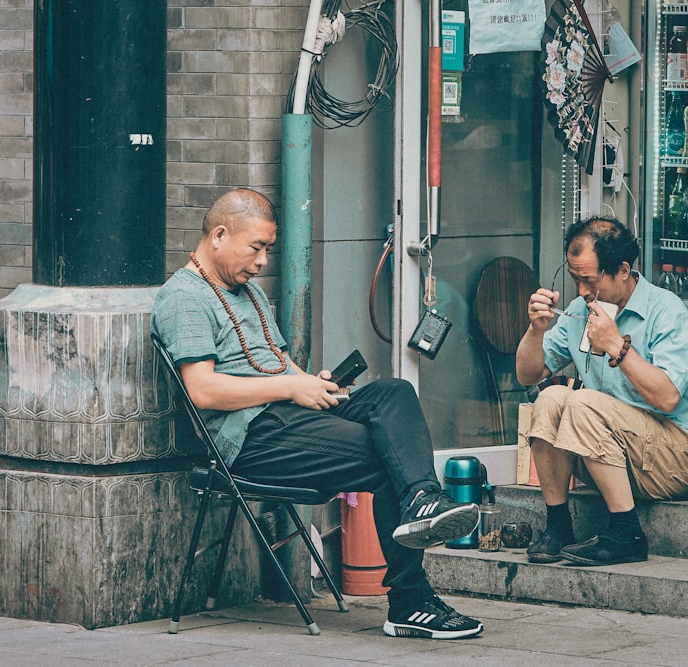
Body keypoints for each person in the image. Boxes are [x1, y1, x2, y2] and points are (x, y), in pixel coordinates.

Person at [151, 188, 483, 640]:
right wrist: (292, 386)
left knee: (393, 392)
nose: (263, 260)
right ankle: (410, 600)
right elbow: (203, 390)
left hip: (290, 420)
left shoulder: (248, 295)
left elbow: (278, 367)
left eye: (268, 249)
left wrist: (312, 383)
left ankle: (422, 499)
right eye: (256, 247)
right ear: (220, 235)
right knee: (390, 457)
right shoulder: (184, 297)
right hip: (251, 439)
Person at [516, 216, 688, 566]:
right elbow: (528, 374)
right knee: (549, 398)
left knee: (583, 402)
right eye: (575, 279)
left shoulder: (667, 312)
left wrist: (616, 347)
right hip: (609, 455)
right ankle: (558, 526)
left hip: (674, 459)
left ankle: (626, 533)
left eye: (589, 280)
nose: (581, 291)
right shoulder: (581, 310)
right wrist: (535, 330)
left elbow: (668, 398)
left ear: (622, 270)